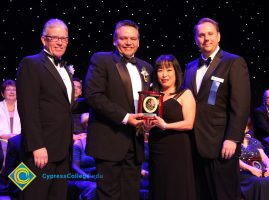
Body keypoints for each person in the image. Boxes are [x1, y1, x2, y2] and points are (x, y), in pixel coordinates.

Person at [183, 17, 251, 200]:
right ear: (196, 39)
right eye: (201, 35)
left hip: (221, 144)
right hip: (194, 145)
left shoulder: (233, 62)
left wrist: (232, 138)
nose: (206, 39)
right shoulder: (189, 67)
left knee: (225, 195)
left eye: (210, 34)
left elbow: (241, 105)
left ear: (218, 36)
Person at [84, 19, 153, 200]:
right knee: (108, 194)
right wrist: (125, 117)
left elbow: (150, 102)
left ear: (138, 42)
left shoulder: (147, 67)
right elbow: (93, 95)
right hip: (109, 140)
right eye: (124, 38)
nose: (128, 42)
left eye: (132, 38)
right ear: (115, 40)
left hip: (135, 143)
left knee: (131, 194)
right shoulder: (101, 59)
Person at [16, 18, 74, 200]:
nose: (59, 42)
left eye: (63, 38)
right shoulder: (30, 63)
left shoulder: (65, 68)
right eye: (54, 37)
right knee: (31, 195)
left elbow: (64, 105)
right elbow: (28, 108)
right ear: (43, 40)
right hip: (40, 151)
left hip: (63, 151)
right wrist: (36, 146)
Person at [145, 54, 196, 200]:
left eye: (169, 70)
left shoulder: (185, 93)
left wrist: (166, 125)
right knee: (159, 185)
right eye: (160, 70)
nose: (164, 74)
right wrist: (147, 127)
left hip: (177, 148)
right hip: (156, 147)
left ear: (176, 72)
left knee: (176, 187)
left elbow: (189, 123)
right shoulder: (152, 96)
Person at [239, 119, 269, 200]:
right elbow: (234, 160)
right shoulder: (233, 143)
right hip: (242, 172)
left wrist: (268, 168)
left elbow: (264, 157)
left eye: (244, 126)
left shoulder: (254, 141)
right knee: (258, 182)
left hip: (257, 170)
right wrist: (250, 169)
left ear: (247, 129)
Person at [0, 79, 21, 175]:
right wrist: (6, 136)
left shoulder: (23, 107)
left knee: (21, 170)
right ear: (2, 93)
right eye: (8, 89)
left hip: (19, 142)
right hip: (2, 143)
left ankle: (20, 187)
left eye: (14, 89)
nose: (12, 92)